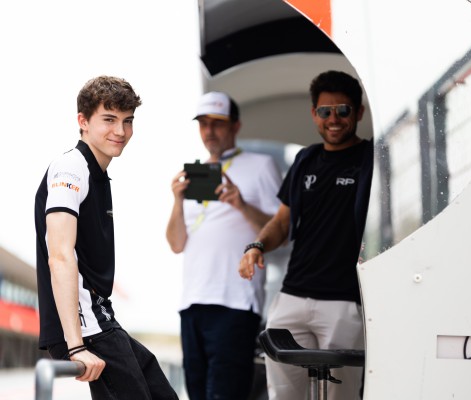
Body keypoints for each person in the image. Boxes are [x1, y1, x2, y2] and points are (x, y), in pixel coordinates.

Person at [34, 76, 178, 399]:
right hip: (86, 328)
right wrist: (75, 346)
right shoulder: (71, 167)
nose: (121, 131)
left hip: (102, 318)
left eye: (128, 121)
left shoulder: (98, 175)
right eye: (109, 120)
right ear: (83, 121)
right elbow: (59, 255)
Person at [239, 70, 374, 400]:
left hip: (345, 301)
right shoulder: (305, 159)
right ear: (314, 114)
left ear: (358, 112)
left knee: (341, 396)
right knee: (283, 394)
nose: (333, 119)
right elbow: (282, 221)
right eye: (325, 111)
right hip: (292, 296)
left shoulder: (371, 159)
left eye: (342, 110)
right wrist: (257, 246)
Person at [166, 91, 282, 400]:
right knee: (197, 394)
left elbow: (282, 231)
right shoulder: (194, 175)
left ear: (235, 126)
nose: (209, 131)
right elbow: (176, 244)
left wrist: (241, 204)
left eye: (217, 123)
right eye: (203, 123)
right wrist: (177, 200)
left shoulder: (261, 165)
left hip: (236, 301)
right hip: (192, 302)